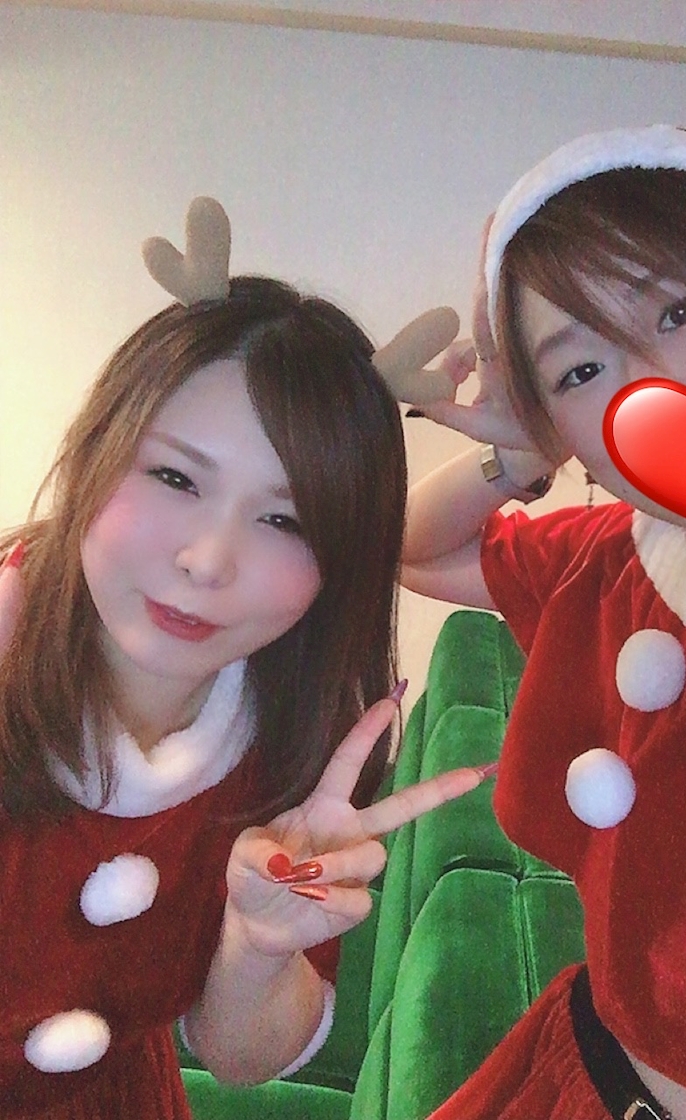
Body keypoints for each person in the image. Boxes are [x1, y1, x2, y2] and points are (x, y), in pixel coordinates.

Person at [0, 199, 491, 1119]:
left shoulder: (296, 741)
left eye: (283, 520)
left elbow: (238, 1058)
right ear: (97, 452)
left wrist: (262, 941)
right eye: (175, 477)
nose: (207, 561)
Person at [401, 125, 686, 1120]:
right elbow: (409, 547)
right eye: (579, 372)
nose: (650, 379)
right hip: (572, 1083)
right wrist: (521, 452)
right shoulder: (614, 565)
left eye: (677, 309)